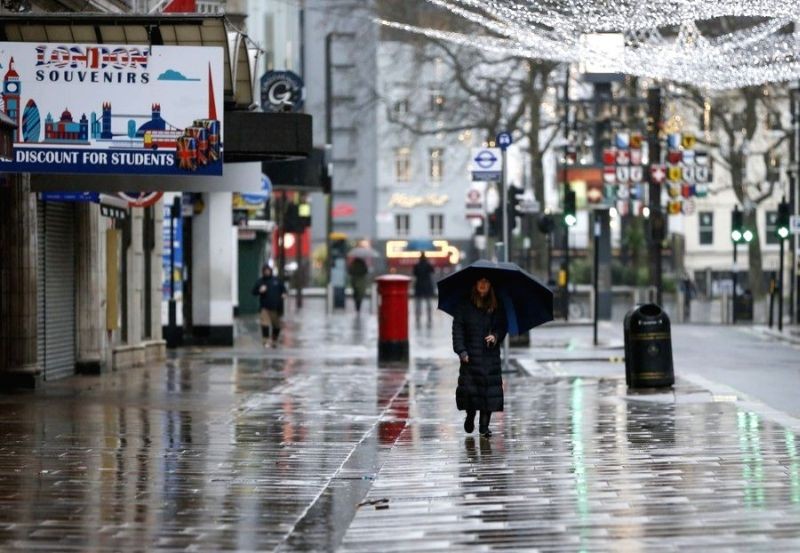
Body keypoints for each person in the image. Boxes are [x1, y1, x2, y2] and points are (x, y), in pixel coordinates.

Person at [451, 277, 507, 437]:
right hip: (470, 356)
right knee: (470, 392)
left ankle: (484, 426)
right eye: (480, 281)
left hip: (490, 356)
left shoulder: (496, 305)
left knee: (488, 392)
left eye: (487, 282)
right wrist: (461, 351)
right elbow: (457, 330)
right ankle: (470, 415)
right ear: (475, 284)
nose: (483, 285)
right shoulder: (464, 305)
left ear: (490, 286)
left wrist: (495, 336)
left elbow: (502, 326)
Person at [251, 264, 287, 348]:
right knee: (265, 324)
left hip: (276, 307)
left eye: (268, 270)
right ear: (263, 271)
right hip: (265, 307)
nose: (267, 272)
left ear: (270, 271)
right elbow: (253, 291)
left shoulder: (276, 280)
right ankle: (266, 341)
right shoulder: (260, 281)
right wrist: (260, 290)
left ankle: (274, 340)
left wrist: (284, 294)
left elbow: (284, 290)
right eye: (265, 270)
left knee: (277, 326)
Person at [413, 252, 435, 324]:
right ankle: (429, 317)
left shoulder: (417, 265)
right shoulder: (428, 265)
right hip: (427, 286)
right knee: (428, 303)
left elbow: (414, 273)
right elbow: (433, 271)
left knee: (418, 303)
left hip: (419, 286)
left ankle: (417, 317)